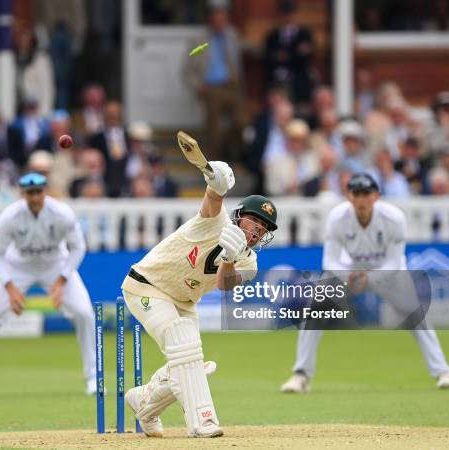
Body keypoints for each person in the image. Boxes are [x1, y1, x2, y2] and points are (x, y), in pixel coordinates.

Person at [122, 160, 278, 438]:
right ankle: (203, 421)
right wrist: (217, 181)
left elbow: (224, 285)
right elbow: (213, 198)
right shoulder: (213, 222)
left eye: (263, 228)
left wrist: (229, 259)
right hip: (146, 285)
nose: (256, 230)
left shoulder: (249, 263)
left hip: (184, 303)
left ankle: (144, 404)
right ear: (239, 215)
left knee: (189, 363)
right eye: (253, 220)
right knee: (186, 349)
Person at [280, 173, 449, 393]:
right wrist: (348, 276)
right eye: (356, 194)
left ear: (376, 196)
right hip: (348, 272)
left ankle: (443, 372)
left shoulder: (394, 218)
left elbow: (394, 260)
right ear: (349, 196)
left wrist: (370, 277)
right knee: (315, 309)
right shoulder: (338, 217)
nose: (362, 199)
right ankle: (301, 375)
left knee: (417, 315)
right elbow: (330, 260)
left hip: (389, 273)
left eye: (366, 194)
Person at [0, 173, 96, 399]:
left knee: (85, 314)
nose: (35, 197)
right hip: (17, 265)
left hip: (55, 263)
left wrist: (61, 280)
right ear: (22, 194)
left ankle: (94, 378)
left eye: (39, 192)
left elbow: (78, 248)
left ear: (45, 192)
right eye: (30, 193)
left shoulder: (62, 214)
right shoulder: (10, 216)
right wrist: (10, 288)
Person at [182, 4, 247, 160]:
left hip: (232, 88)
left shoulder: (232, 36)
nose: (220, 23)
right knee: (214, 131)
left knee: (242, 124)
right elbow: (186, 71)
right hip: (210, 89)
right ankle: (213, 167)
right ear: (210, 21)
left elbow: (245, 48)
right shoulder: (199, 40)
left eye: (223, 20)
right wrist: (198, 86)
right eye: (216, 20)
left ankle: (231, 154)